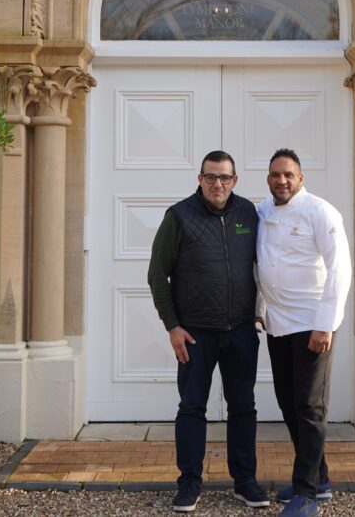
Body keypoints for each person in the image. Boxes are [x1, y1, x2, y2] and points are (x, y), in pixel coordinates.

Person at [147, 150, 270, 513]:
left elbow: (270, 263)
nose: (218, 184)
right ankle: (189, 484)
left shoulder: (249, 213)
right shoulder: (178, 216)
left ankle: (245, 482)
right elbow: (157, 275)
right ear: (200, 179)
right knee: (192, 408)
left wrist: (263, 313)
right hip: (195, 335)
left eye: (225, 178)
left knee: (243, 408)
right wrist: (172, 326)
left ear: (235, 181)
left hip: (241, 332)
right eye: (211, 177)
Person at [257, 148, 352, 517]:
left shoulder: (321, 212)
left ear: (301, 178)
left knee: (310, 406)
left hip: (313, 324)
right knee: (287, 402)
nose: (282, 180)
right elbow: (259, 265)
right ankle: (320, 477)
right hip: (278, 324)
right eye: (276, 174)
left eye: (289, 174)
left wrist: (325, 323)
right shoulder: (262, 211)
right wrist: (259, 313)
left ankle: (307, 494)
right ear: (268, 178)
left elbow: (339, 270)